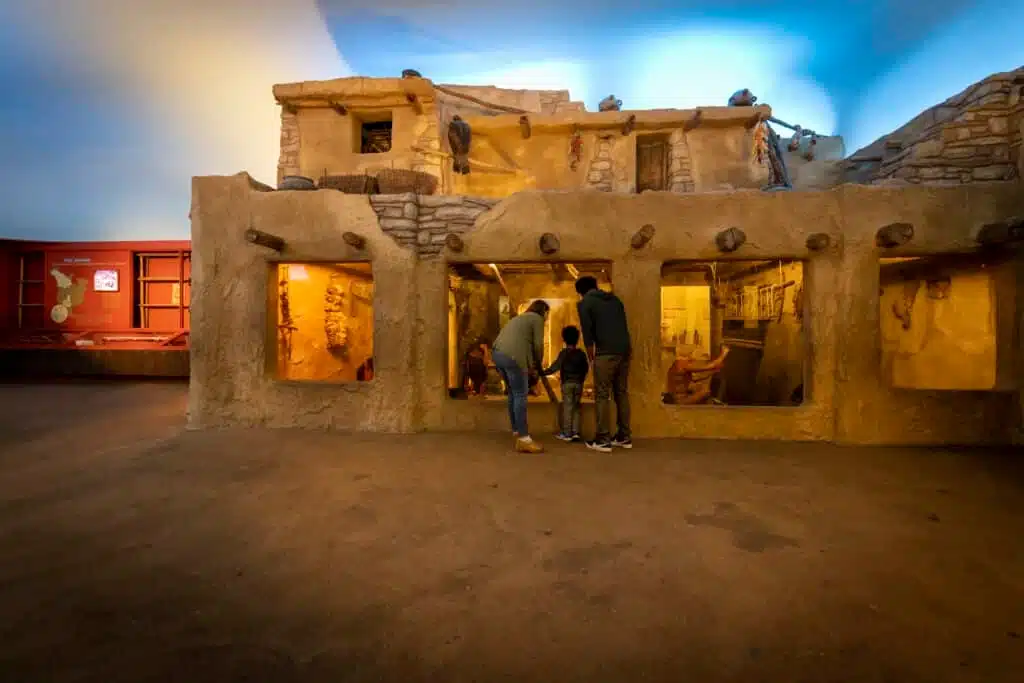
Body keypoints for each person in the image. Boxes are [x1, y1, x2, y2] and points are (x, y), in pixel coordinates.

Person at [575, 276, 632, 452]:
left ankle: (603, 438)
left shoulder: (585, 303)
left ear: (580, 292)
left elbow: (588, 334)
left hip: (605, 353)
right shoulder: (615, 300)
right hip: (624, 351)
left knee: (601, 395)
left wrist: (591, 359)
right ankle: (624, 436)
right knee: (621, 393)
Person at [491, 300, 550, 453]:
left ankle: (516, 430)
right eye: (547, 314)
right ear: (543, 311)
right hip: (513, 356)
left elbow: (524, 342)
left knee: (512, 392)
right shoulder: (537, 319)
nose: (547, 318)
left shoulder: (519, 318)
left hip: (498, 354)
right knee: (520, 394)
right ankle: (524, 439)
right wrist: (538, 365)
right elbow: (538, 345)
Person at [541, 325, 589, 443]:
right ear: (577, 339)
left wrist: (542, 372)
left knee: (568, 407)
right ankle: (576, 432)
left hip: (567, 383)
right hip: (578, 383)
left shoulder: (564, 354)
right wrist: (582, 379)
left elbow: (555, 367)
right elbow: (586, 367)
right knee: (576, 407)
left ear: (564, 339)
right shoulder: (581, 354)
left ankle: (567, 433)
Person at [664, 347, 730, 404]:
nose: (693, 358)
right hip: (681, 400)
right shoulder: (681, 364)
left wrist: (713, 371)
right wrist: (724, 353)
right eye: (692, 354)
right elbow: (710, 366)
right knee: (706, 392)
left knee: (701, 388)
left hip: (678, 398)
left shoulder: (676, 365)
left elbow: (696, 378)